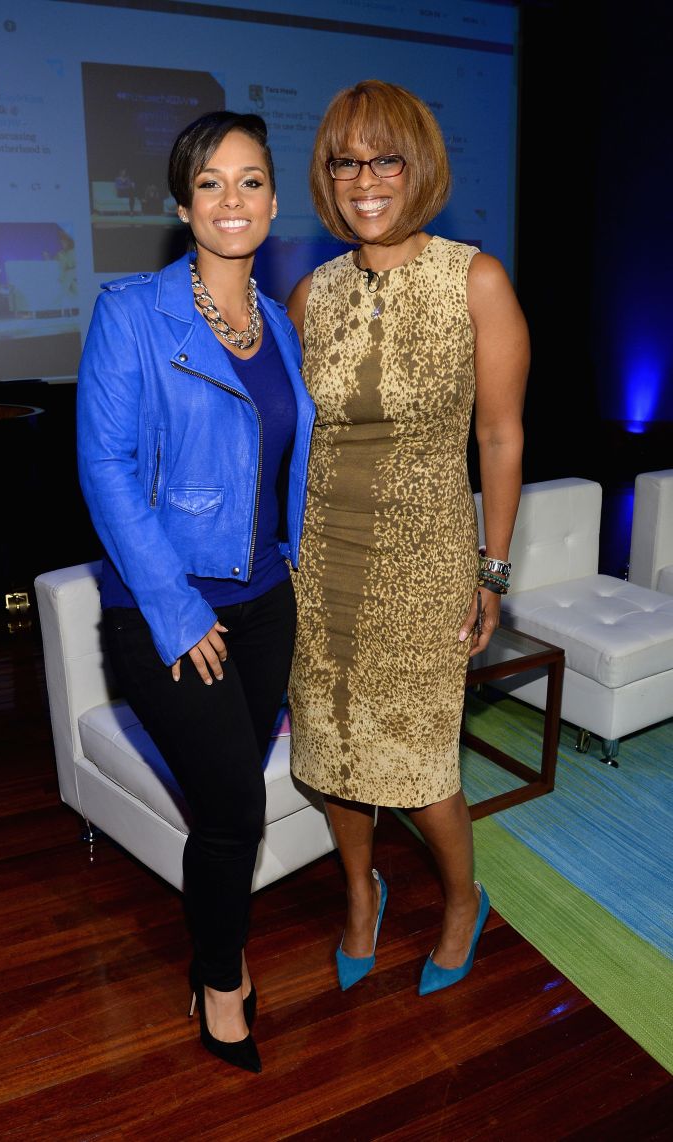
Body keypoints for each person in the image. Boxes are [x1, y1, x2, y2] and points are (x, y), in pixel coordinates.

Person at [77, 111, 314, 1073]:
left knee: (229, 806)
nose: (232, 199)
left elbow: (284, 463)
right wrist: (177, 611)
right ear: (183, 205)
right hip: (168, 611)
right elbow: (105, 467)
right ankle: (221, 980)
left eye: (250, 180)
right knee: (234, 813)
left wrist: (297, 561)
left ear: (273, 200)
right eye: (210, 183)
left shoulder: (279, 325)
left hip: (266, 607)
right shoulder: (131, 313)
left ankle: (216, 949)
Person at [286, 80, 529, 996]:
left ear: (418, 165)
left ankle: (464, 900)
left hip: (425, 563)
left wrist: (492, 570)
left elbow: (499, 436)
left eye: (385, 159)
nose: (365, 181)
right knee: (333, 750)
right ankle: (362, 892)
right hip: (320, 563)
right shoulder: (312, 293)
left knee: (422, 766)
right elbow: (286, 436)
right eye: (345, 163)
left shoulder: (475, 280)